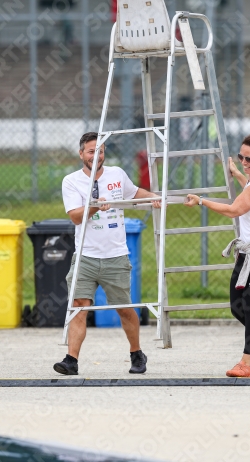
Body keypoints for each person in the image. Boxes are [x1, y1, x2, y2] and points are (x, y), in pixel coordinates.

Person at [184, 134, 250, 378]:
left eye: (249, 158)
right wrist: (238, 173)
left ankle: (246, 364)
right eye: (241, 156)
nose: (244, 161)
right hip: (247, 252)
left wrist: (202, 200)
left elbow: (235, 209)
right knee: (237, 308)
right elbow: (249, 188)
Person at [53, 131, 161, 376]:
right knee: (79, 305)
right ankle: (71, 360)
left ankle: (137, 354)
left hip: (115, 255)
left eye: (100, 151)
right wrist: (93, 207)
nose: (96, 156)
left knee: (124, 308)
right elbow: (75, 217)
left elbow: (133, 193)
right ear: (81, 153)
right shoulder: (71, 181)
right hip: (85, 256)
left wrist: (154, 197)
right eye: (91, 151)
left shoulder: (117, 175)